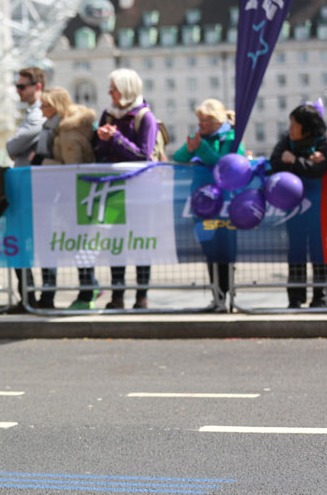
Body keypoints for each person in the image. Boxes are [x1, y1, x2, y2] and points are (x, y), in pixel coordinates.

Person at [93, 68, 156, 309]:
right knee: (115, 243)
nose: (110, 93)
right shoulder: (108, 115)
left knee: (140, 242)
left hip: (140, 193)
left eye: (114, 88)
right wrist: (101, 139)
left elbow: (143, 155)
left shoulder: (144, 117)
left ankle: (142, 294)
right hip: (113, 190)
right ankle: (117, 294)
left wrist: (116, 139)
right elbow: (98, 151)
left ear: (127, 89)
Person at [173, 99, 245, 312]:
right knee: (209, 251)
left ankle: (227, 297)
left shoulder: (232, 138)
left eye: (204, 120)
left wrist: (201, 148)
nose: (200, 124)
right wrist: (190, 148)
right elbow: (178, 158)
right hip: (202, 203)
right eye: (199, 120)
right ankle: (217, 297)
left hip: (225, 204)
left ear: (216, 121)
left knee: (224, 251)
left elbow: (224, 163)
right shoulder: (200, 139)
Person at [269, 104, 327, 309]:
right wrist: (304, 161)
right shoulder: (286, 141)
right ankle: (295, 298)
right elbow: (275, 161)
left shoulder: (326, 143)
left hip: (320, 207)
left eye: (294, 125)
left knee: (320, 252)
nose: (290, 128)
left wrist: (295, 160)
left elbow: (317, 170)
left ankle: (321, 297)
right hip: (294, 207)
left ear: (307, 128)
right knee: (296, 251)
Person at [36, 87, 98, 309]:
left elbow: (72, 169)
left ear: (57, 106)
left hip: (75, 196)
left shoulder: (69, 132)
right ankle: (89, 288)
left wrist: (44, 164)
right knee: (80, 245)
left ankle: (87, 292)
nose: (42, 111)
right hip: (75, 195)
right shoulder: (64, 127)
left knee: (80, 245)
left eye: (45, 106)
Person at [5, 67, 52, 309]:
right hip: (30, 189)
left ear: (38, 86)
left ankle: (37, 297)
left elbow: (14, 146)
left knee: (26, 242)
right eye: (17, 86)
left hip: (34, 191)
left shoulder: (38, 113)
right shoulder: (33, 112)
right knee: (26, 243)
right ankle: (33, 296)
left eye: (22, 86)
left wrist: (12, 143)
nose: (18, 90)